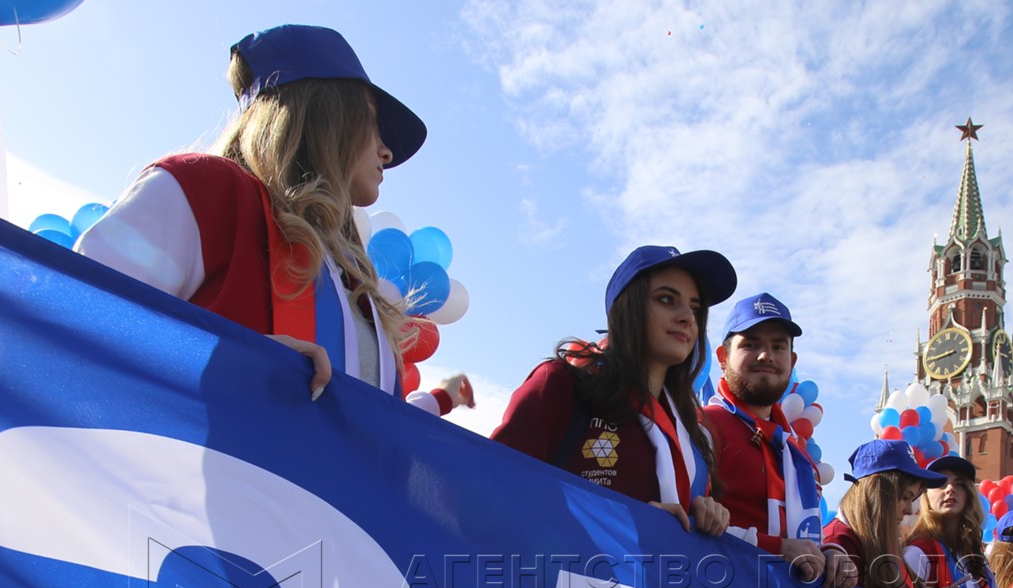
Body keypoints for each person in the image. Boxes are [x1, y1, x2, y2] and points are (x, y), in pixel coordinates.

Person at [77, 25, 465, 409]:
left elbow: (365, 423)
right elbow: (75, 312)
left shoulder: (356, 282)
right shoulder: (206, 191)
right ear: (326, 112)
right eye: (372, 120)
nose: (387, 152)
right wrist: (230, 361)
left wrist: (440, 400)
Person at [493, 246, 734, 535]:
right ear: (626, 308)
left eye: (695, 308)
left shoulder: (694, 435)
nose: (688, 317)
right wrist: (628, 520)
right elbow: (489, 493)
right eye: (667, 299)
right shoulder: (561, 385)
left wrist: (709, 515)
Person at [700, 293, 854, 588]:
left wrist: (829, 554)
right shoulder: (702, 426)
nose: (766, 355)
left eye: (778, 346)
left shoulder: (794, 451)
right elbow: (685, 525)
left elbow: (798, 539)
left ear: (791, 361)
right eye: (751, 344)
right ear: (722, 357)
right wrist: (777, 549)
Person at [822, 441, 944, 588]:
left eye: (912, 499)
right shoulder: (840, 543)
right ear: (877, 492)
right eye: (905, 497)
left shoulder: (877, 544)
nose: (909, 510)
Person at [903, 454, 999, 588]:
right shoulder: (918, 552)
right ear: (926, 495)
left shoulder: (975, 557)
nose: (950, 489)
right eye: (941, 483)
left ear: (969, 494)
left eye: (959, 484)